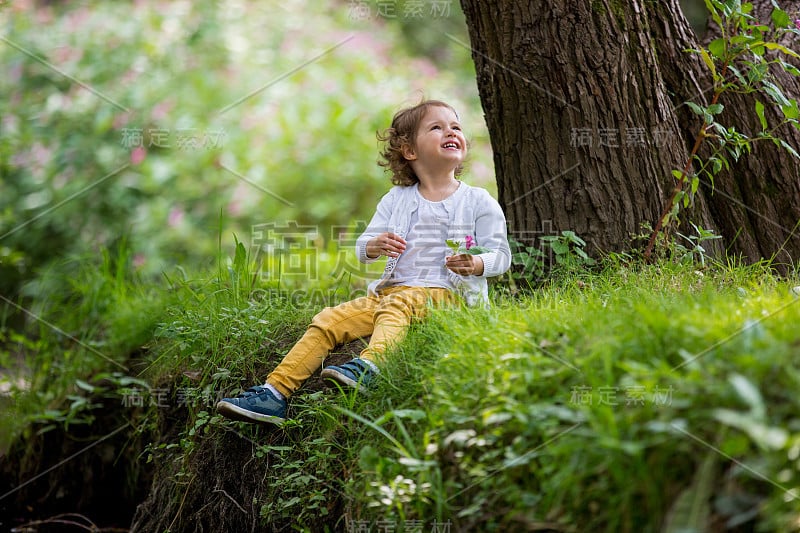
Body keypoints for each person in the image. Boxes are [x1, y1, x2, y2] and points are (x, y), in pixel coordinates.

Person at [216, 99, 511, 426]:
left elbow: (501, 255)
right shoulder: (396, 199)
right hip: (392, 294)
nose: (451, 131)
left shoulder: (476, 200)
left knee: (400, 301)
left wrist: (476, 264)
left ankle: (372, 366)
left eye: (455, 126)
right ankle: (274, 394)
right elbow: (361, 247)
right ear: (409, 151)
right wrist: (374, 244)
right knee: (328, 320)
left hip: (449, 297)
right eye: (437, 127)